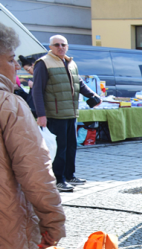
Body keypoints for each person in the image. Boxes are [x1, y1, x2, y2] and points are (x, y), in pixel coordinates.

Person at [0, 24, 65, 249]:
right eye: (11, 59)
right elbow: (36, 174)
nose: (15, 66)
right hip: (8, 223)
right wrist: (53, 224)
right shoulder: (9, 105)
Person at [31, 35, 100, 192]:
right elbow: (37, 91)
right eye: (56, 45)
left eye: (63, 44)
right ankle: (59, 179)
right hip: (55, 114)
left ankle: (70, 175)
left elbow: (79, 83)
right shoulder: (43, 63)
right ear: (50, 47)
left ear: (67, 46)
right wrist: (41, 114)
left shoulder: (70, 62)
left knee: (71, 146)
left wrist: (93, 96)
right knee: (59, 148)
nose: (60, 47)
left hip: (71, 112)